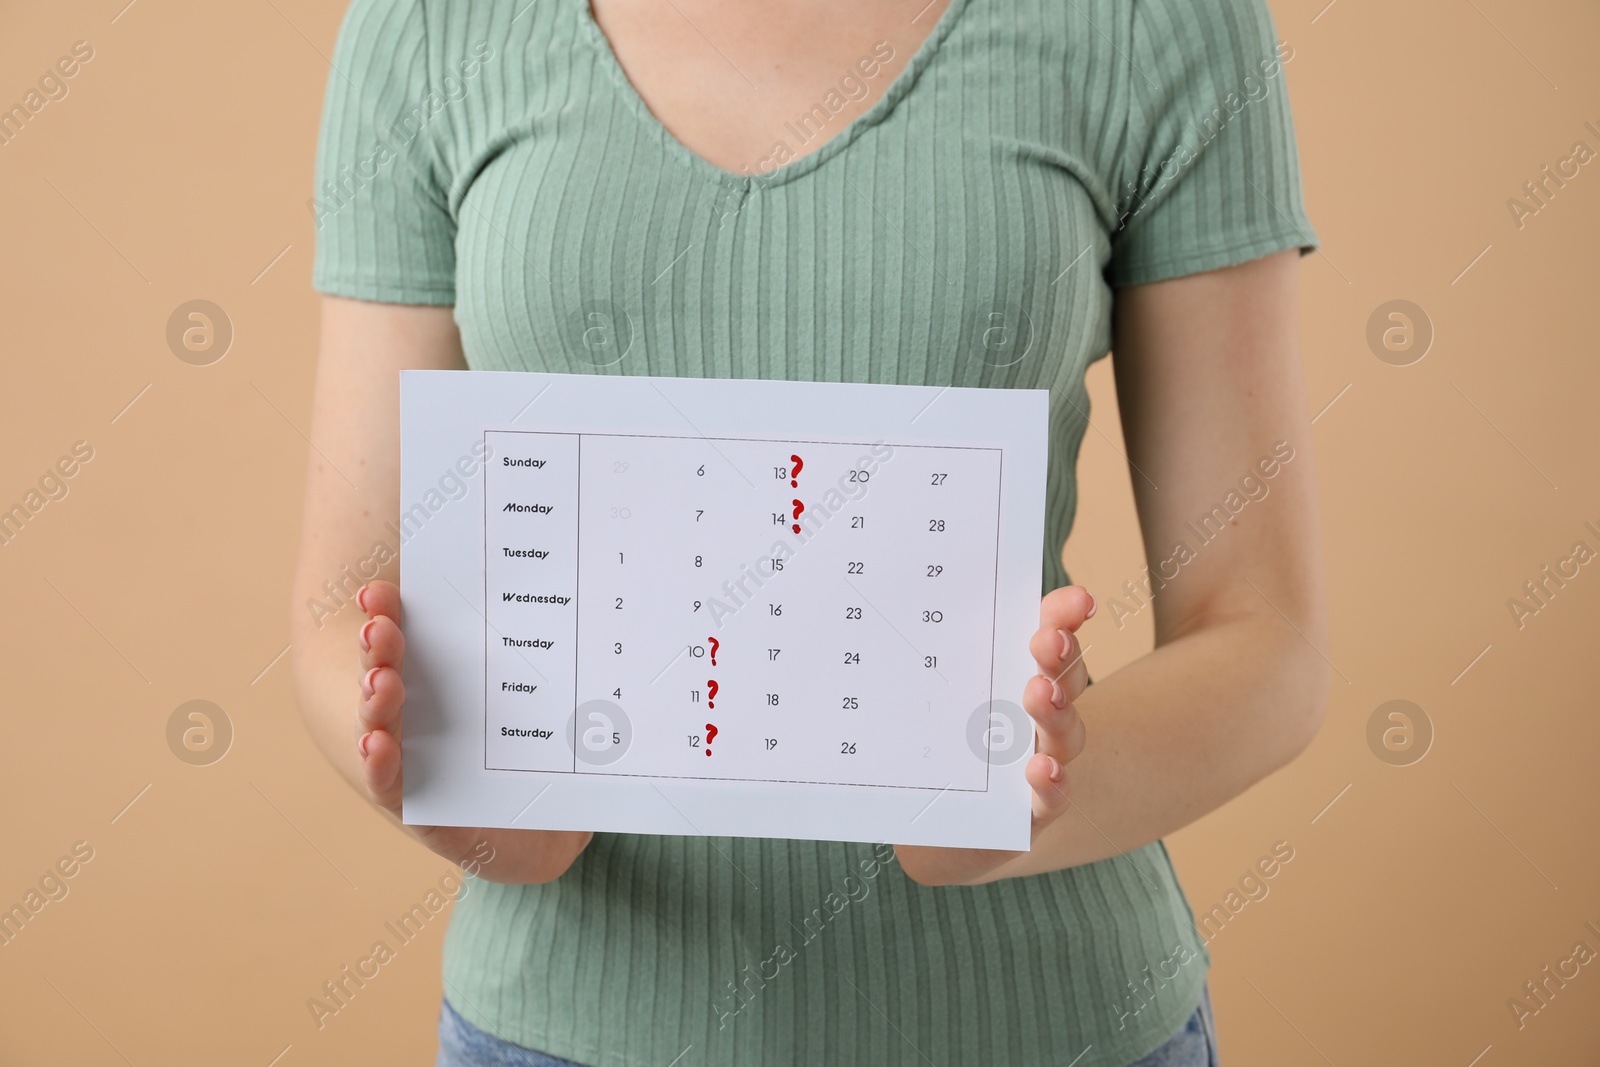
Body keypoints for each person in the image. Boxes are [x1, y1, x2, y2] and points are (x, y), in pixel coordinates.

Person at [290, 0, 1328, 1062]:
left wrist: (1028, 795)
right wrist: (440, 773)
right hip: (554, 1031)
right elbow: (346, 600)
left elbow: (1263, 634)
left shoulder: (1154, 21)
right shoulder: (431, 25)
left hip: (1048, 1024)